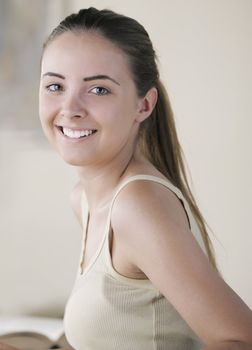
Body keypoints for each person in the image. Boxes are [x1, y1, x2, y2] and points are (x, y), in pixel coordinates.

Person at [1, 7, 251, 350]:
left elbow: (240, 339)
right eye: (55, 85)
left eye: (99, 90)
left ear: (143, 105)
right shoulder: (85, 199)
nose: (70, 107)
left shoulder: (137, 205)